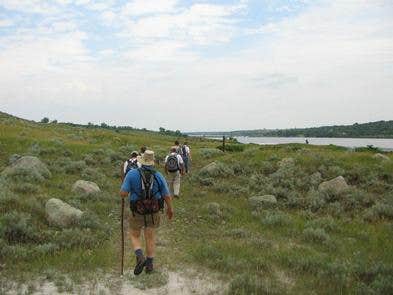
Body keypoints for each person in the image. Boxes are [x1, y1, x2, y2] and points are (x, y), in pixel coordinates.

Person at [120, 150, 174, 275]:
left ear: (142, 161)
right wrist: (170, 208)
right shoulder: (158, 175)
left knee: (134, 235)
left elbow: (123, 193)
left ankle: (139, 256)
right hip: (153, 211)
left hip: (137, 211)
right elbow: (166, 195)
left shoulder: (132, 174)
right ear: (152, 162)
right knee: (150, 237)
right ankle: (149, 266)